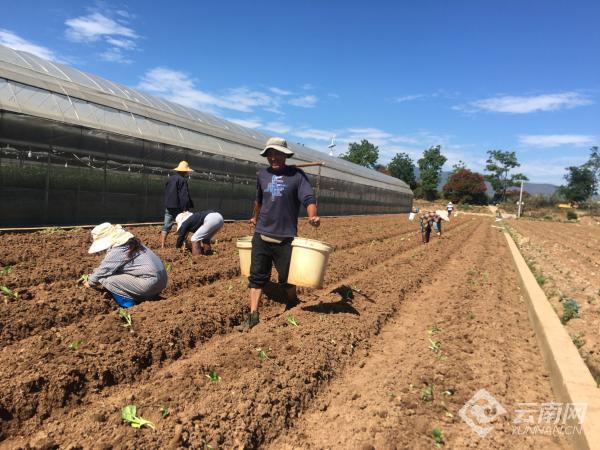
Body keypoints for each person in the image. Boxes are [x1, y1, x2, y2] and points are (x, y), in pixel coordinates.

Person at [237, 137, 320, 331]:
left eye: (277, 153)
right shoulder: (262, 175)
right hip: (262, 234)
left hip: (285, 237)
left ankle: (292, 301)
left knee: (286, 278)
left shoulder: (297, 176)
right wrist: (254, 218)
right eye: (269, 154)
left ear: (285, 155)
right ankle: (253, 315)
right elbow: (258, 200)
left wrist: (312, 216)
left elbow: (308, 197)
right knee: (256, 277)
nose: (273, 157)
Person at [83, 223, 168, 308]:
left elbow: (104, 270)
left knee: (105, 279)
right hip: (161, 280)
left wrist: (90, 282)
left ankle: (129, 306)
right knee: (108, 275)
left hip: (150, 283)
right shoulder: (131, 243)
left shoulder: (119, 249)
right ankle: (144, 297)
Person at [160, 161, 194, 248]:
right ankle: (182, 244)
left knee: (166, 225)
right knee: (184, 225)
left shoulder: (170, 179)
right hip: (179, 207)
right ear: (184, 171)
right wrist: (185, 208)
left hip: (169, 206)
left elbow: (167, 191)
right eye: (186, 171)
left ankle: (163, 245)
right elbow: (183, 195)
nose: (187, 172)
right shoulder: (182, 180)